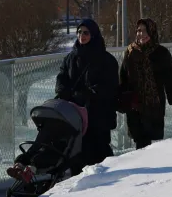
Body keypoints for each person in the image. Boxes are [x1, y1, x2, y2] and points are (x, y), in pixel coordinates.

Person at [8, 19, 119, 180]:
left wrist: (87, 94)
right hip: (71, 113)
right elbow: (62, 78)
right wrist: (63, 91)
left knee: (96, 153)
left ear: (94, 35)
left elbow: (108, 87)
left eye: (86, 32)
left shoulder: (106, 60)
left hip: (96, 115)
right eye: (79, 32)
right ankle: (26, 163)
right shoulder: (71, 58)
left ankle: (106, 183)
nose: (82, 35)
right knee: (54, 139)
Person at [119, 18, 172, 150]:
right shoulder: (130, 52)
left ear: (152, 32)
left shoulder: (161, 53)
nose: (141, 34)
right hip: (135, 105)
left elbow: (170, 81)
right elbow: (123, 77)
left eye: (145, 30)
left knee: (146, 142)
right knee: (140, 140)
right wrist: (121, 100)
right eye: (138, 31)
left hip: (153, 106)